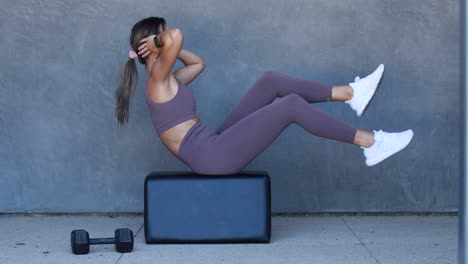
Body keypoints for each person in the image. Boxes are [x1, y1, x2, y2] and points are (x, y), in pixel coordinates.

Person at [115, 16, 414, 175]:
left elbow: (198, 63)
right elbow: (176, 36)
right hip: (212, 157)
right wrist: (159, 41)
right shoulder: (155, 79)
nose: (169, 43)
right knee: (291, 106)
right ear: (152, 45)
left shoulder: (169, 79)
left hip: (213, 144)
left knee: (270, 81)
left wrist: (160, 44)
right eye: (161, 37)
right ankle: (372, 142)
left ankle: (350, 94)